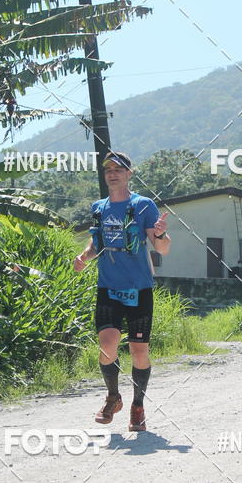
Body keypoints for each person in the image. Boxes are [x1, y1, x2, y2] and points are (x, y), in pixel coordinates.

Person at [73, 152, 171, 432]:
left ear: (130, 173)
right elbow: (96, 245)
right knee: (107, 344)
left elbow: (162, 248)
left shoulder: (143, 206)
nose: (112, 174)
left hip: (139, 289)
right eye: (108, 170)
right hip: (109, 287)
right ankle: (113, 396)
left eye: (118, 169)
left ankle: (137, 405)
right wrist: (83, 257)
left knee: (140, 351)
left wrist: (162, 234)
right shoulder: (98, 208)